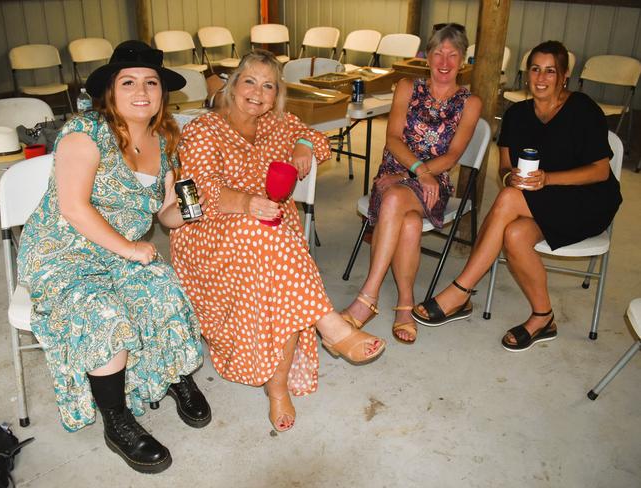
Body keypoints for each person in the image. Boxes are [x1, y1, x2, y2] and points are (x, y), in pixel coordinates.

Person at [17, 40, 211, 474]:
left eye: (151, 82)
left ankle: (175, 374)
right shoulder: (85, 133)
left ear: (162, 92)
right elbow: (73, 206)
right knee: (102, 311)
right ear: (110, 91)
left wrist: (188, 209)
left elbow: (164, 211)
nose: (141, 91)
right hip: (62, 251)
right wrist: (128, 247)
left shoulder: (164, 138)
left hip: (121, 251)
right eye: (129, 82)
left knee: (164, 287)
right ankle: (117, 420)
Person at [170, 49, 386, 433]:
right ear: (233, 85)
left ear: (276, 95)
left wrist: (303, 147)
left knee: (277, 268)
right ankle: (331, 330)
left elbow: (317, 140)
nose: (258, 92)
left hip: (269, 233)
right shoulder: (204, 129)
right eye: (250, 81)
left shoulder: (279, 124)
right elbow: (201, 191)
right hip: (210, 232)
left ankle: (279, 386)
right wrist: (247, 204)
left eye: (268, 85)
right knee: (274, 244)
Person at [412, 40, 623, 352]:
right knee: (514, 233)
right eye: (535, 69)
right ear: (526, 74)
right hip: (540, 200)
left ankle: (461, 290)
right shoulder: (516, 115)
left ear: (564, 75)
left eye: (550, 71)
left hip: (586, 200)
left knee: (509, 200)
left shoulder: (582, 108)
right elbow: (506, 170)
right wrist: (513, 177)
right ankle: (543, 316)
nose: (540, 77)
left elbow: (600, 172)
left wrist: (547, 178)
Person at [340, 24, 481, 344]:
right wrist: (416, 169)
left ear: (462, 61)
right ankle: (405, 306)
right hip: (395, 169)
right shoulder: (407, 87)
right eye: (438, 53)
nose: (445, 61)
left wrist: (414, 175)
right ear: (427, 57)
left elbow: (454, 155)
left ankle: (367, 297)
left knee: (393, 200)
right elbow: (392, 138)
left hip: (434, 182)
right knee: (409, 223)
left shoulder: (469, 103)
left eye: (453, 55)